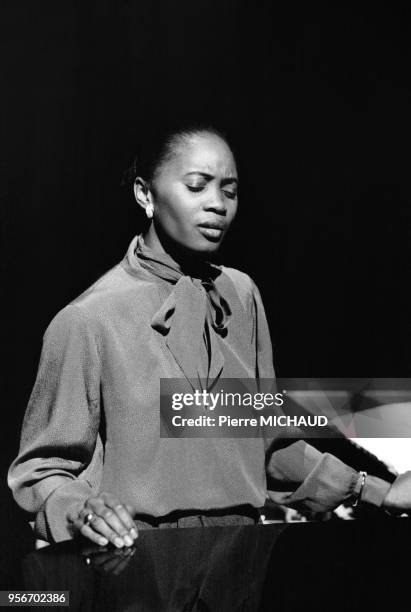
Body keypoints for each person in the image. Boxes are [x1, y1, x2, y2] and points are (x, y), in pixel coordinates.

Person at [8, 123, 411, 549]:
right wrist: (81, 510)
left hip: (242, 559)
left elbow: (264, 444)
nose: (217, 204)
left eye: (230, 191)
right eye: (197, 186)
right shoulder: (88, 320)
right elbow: (42, 471)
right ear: (145, 194)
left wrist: (378, 490)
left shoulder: (241, 297)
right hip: (137, 565)